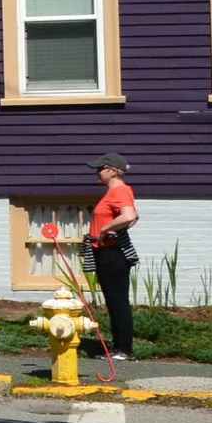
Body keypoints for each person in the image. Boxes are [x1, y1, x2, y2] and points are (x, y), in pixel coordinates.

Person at [85, 152, 140, 361]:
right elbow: (134, 215)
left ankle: (124, 350)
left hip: (112, 252)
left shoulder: (119, 190)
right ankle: (119, 348)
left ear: (113, 171)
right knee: (113, 300)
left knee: (118, 301)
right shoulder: (117, 192)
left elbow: (129, 215)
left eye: (101, 169)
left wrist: (105, 228)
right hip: (105, 251)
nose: (97, 173)